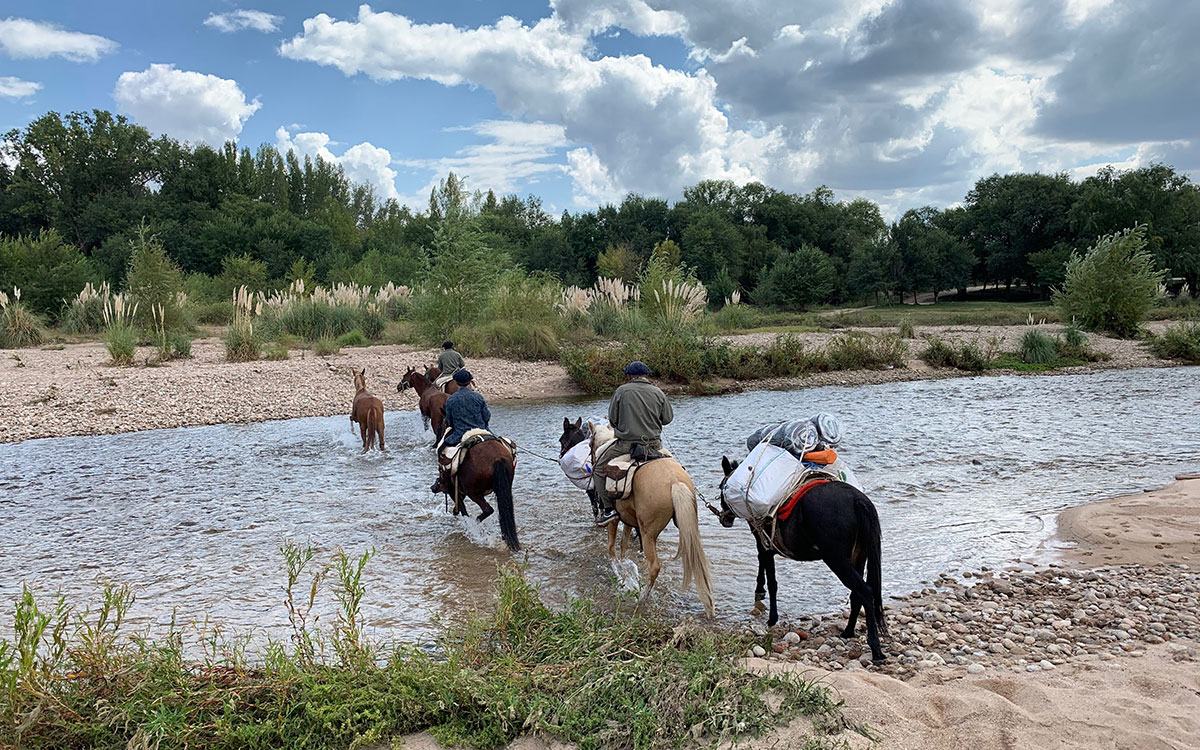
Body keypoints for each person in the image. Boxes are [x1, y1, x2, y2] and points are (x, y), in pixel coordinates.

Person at [592, 361, 673, 526]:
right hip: (654, 446)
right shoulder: (658, 392)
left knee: (598, 469)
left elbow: (613, 420)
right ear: (647, 376)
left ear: (629, 376)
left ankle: (608, 510)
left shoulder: (621, 391)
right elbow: (667, 419)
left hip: (626, 445)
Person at [431, 369, 491, 492]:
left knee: (440, 450)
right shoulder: (478, 397)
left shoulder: (451, 400)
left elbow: (450, 422)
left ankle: (443, 481)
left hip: (460, 434)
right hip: (482, 431)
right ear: (470, 382)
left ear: (457, 383)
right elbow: (487, 416)